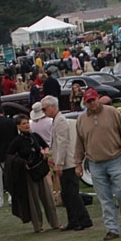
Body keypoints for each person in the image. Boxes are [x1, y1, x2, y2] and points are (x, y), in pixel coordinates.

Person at [74, 87, 121, 241]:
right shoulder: (81, 119)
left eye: (93, 100)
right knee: (104, 198)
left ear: (98, 98)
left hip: (115, 158)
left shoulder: (112, 112)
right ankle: (112, 229)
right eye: (88, 101)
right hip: (95, 163)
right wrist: (77, 163)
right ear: (85, 102)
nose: (91, 103)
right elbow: (79, 143)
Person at [42, 96, 92, 231]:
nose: (44, 111)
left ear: (53, 107)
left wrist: (59, 163)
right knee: (67, 194)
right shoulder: (57, 121)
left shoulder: (61, 121)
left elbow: (62, 143)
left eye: (44, 108)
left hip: (67, 163)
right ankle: (74, 220)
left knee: (72, 193)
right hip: (64, 162)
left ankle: (83, 219)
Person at [6, 113, 59, 232]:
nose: (26, 125)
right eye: (23, 124)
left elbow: (45, 145)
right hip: (29, 173)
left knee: (48, 198)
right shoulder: (17, 141)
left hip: (41, 170)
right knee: (34, 201)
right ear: (18, 127)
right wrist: (22, 162)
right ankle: (38, 225)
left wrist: (45, 151)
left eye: (27, 123)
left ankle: (55, 223)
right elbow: (9, 156)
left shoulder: (34, 136)